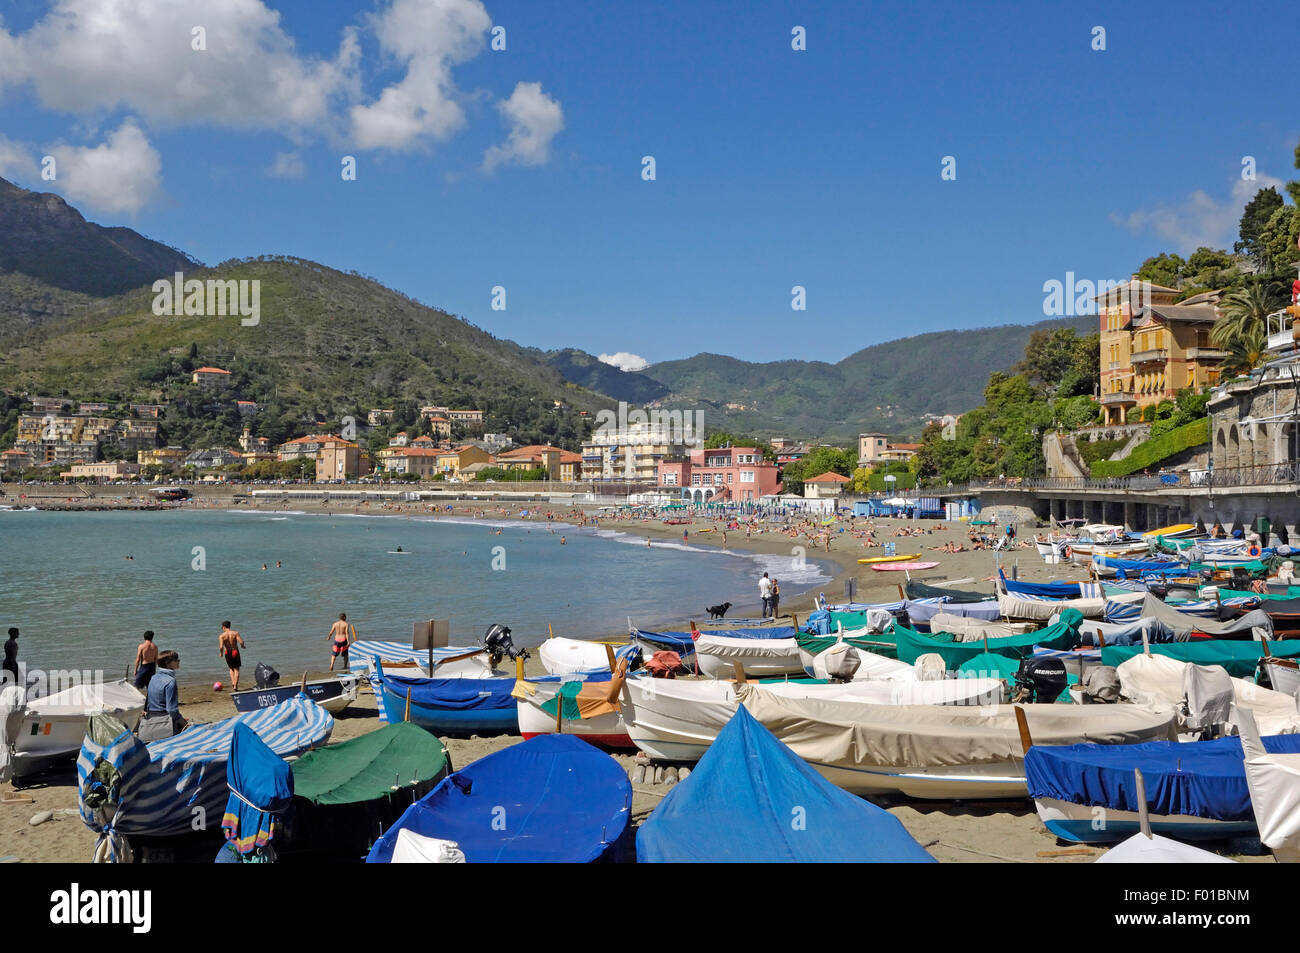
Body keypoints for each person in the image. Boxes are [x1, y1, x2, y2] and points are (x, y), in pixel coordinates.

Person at [140, 650, 187, 740]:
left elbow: (148, 704)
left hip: (151, 720)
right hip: (165, 722)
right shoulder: (170, 681)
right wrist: (184, 724)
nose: (179, 661)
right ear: (168, 663)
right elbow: (172, 710)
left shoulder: (153, 678)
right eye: (176, 659)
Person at [219, 621, 246, 690]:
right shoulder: (235, 633)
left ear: (224, 627)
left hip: (227, 653)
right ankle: (235, 685)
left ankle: (233, 682)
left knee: (231, 669)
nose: (222, 628)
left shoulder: (222, 636)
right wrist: (242, 646)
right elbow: (241, 641)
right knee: (236, 669)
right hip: (235, 652)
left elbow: (221, 647)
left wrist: (221, 653)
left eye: (222, 627)